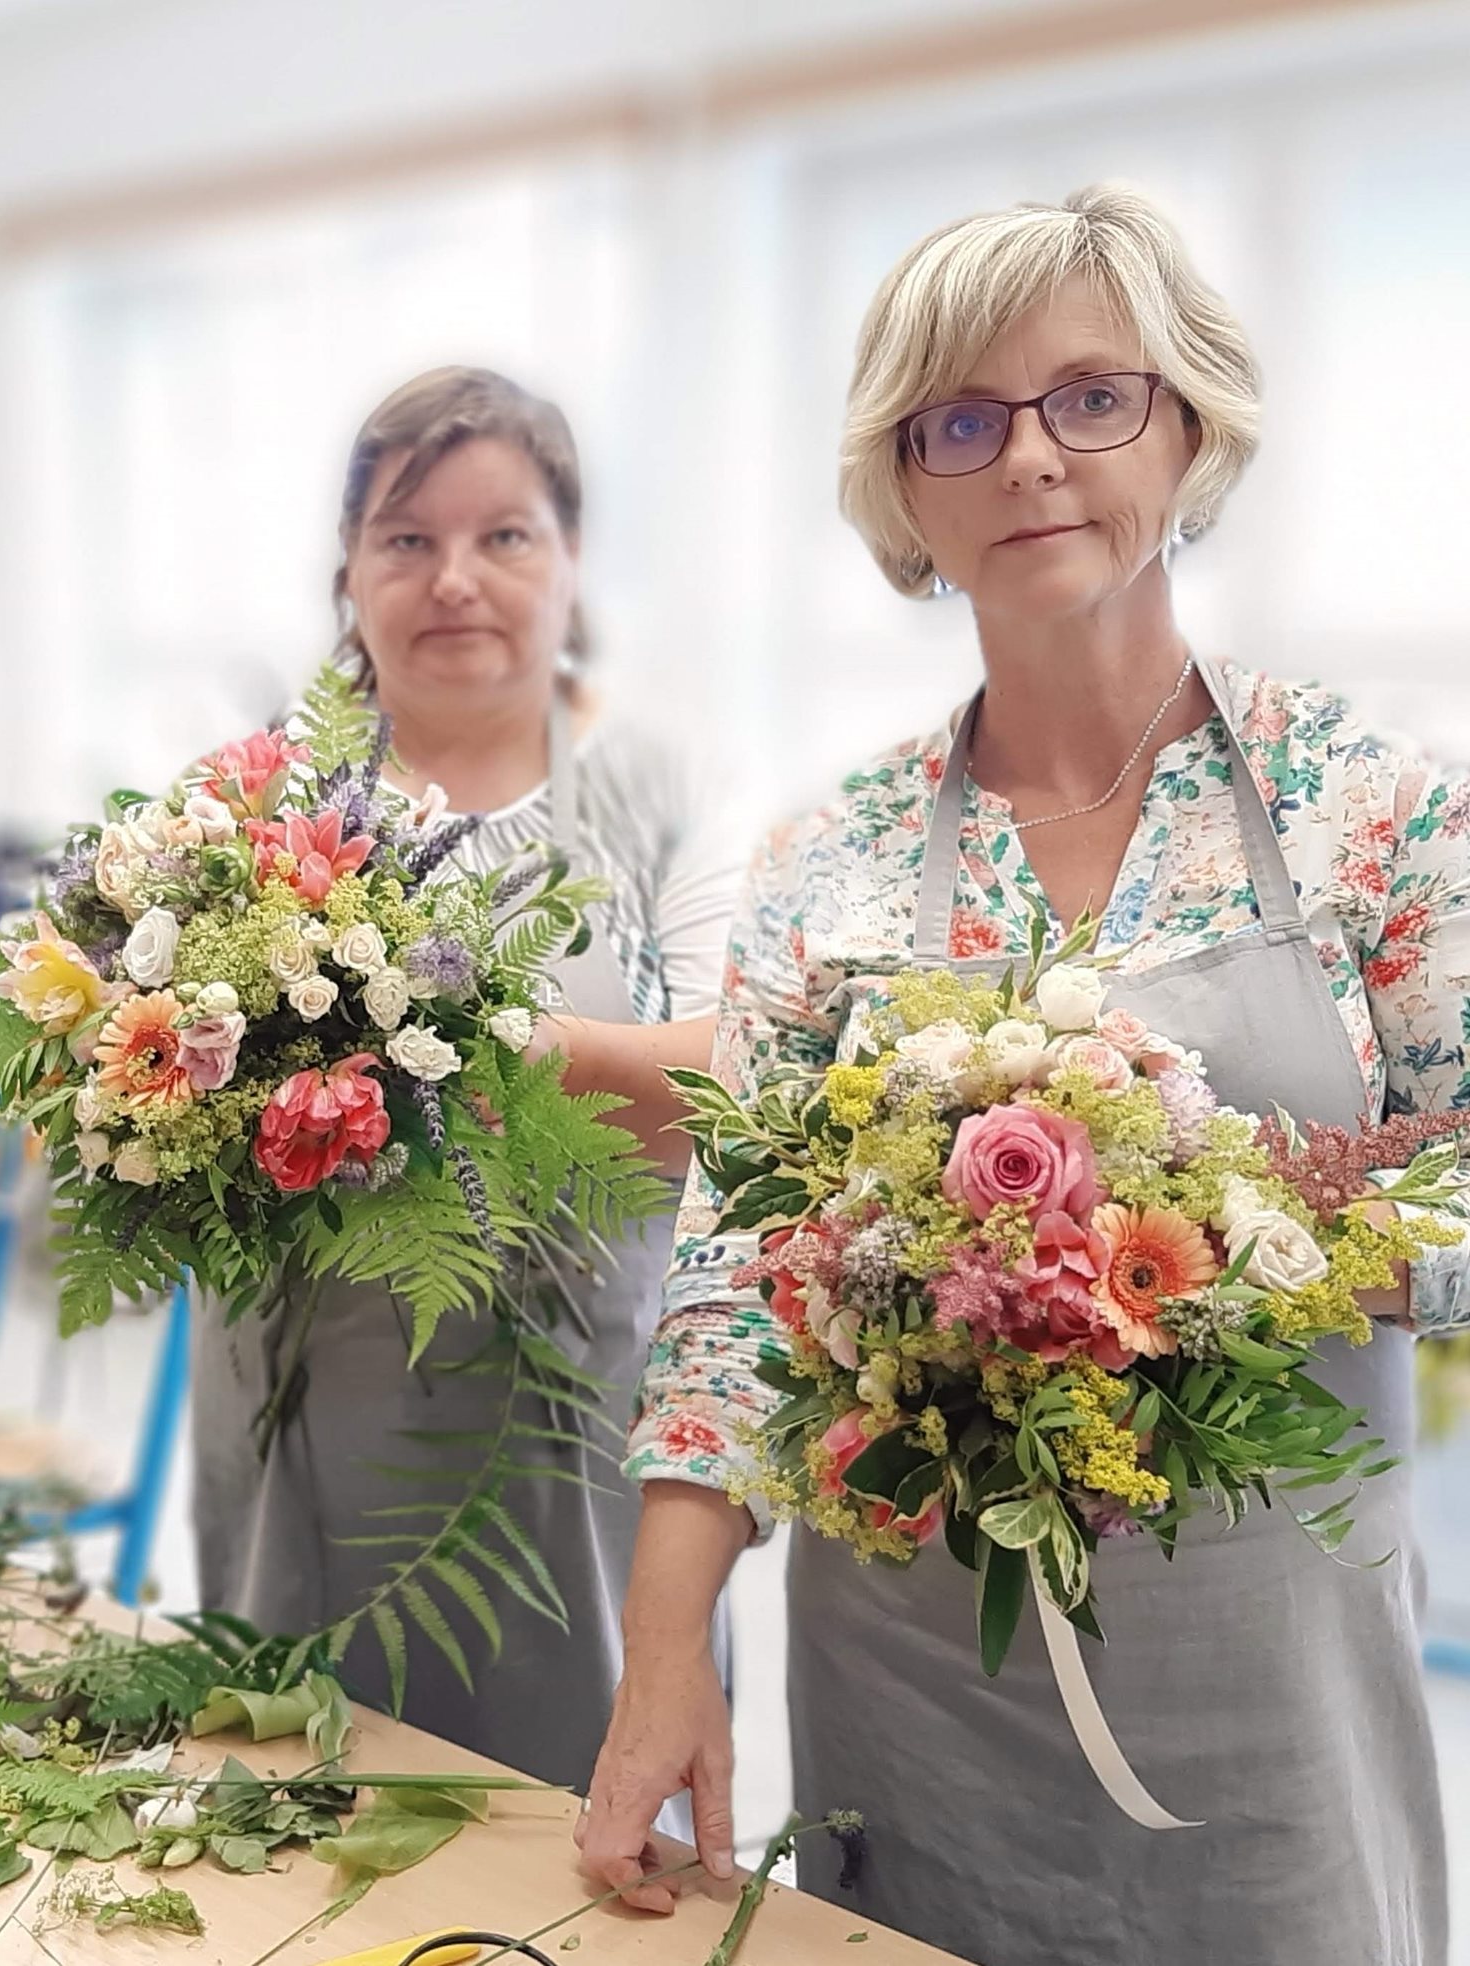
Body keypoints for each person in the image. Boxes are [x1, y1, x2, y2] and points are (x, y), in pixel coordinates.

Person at [581, 185, 1470, 1965]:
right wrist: (664, 1656)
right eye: (961, 422)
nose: (1031, 459)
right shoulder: (831, 860)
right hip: (907, 1687)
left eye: (1091, 398)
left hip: (1269, 1691)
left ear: (1188, 427)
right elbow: (733, 1288)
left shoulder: (1371, 810)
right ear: (902, 486)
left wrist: (1200, 1241)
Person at [191, 367, 742, 1789]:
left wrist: (466, 1053)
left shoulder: (659, 783)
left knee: (579, 1817)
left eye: (503, 535)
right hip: (298, 1401)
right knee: (300, 1798)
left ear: (569, 558)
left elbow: (737, 1079)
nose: (454, 579)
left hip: (575, 1403)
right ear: (348, 567)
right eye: (406, 537)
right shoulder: (254, 797)